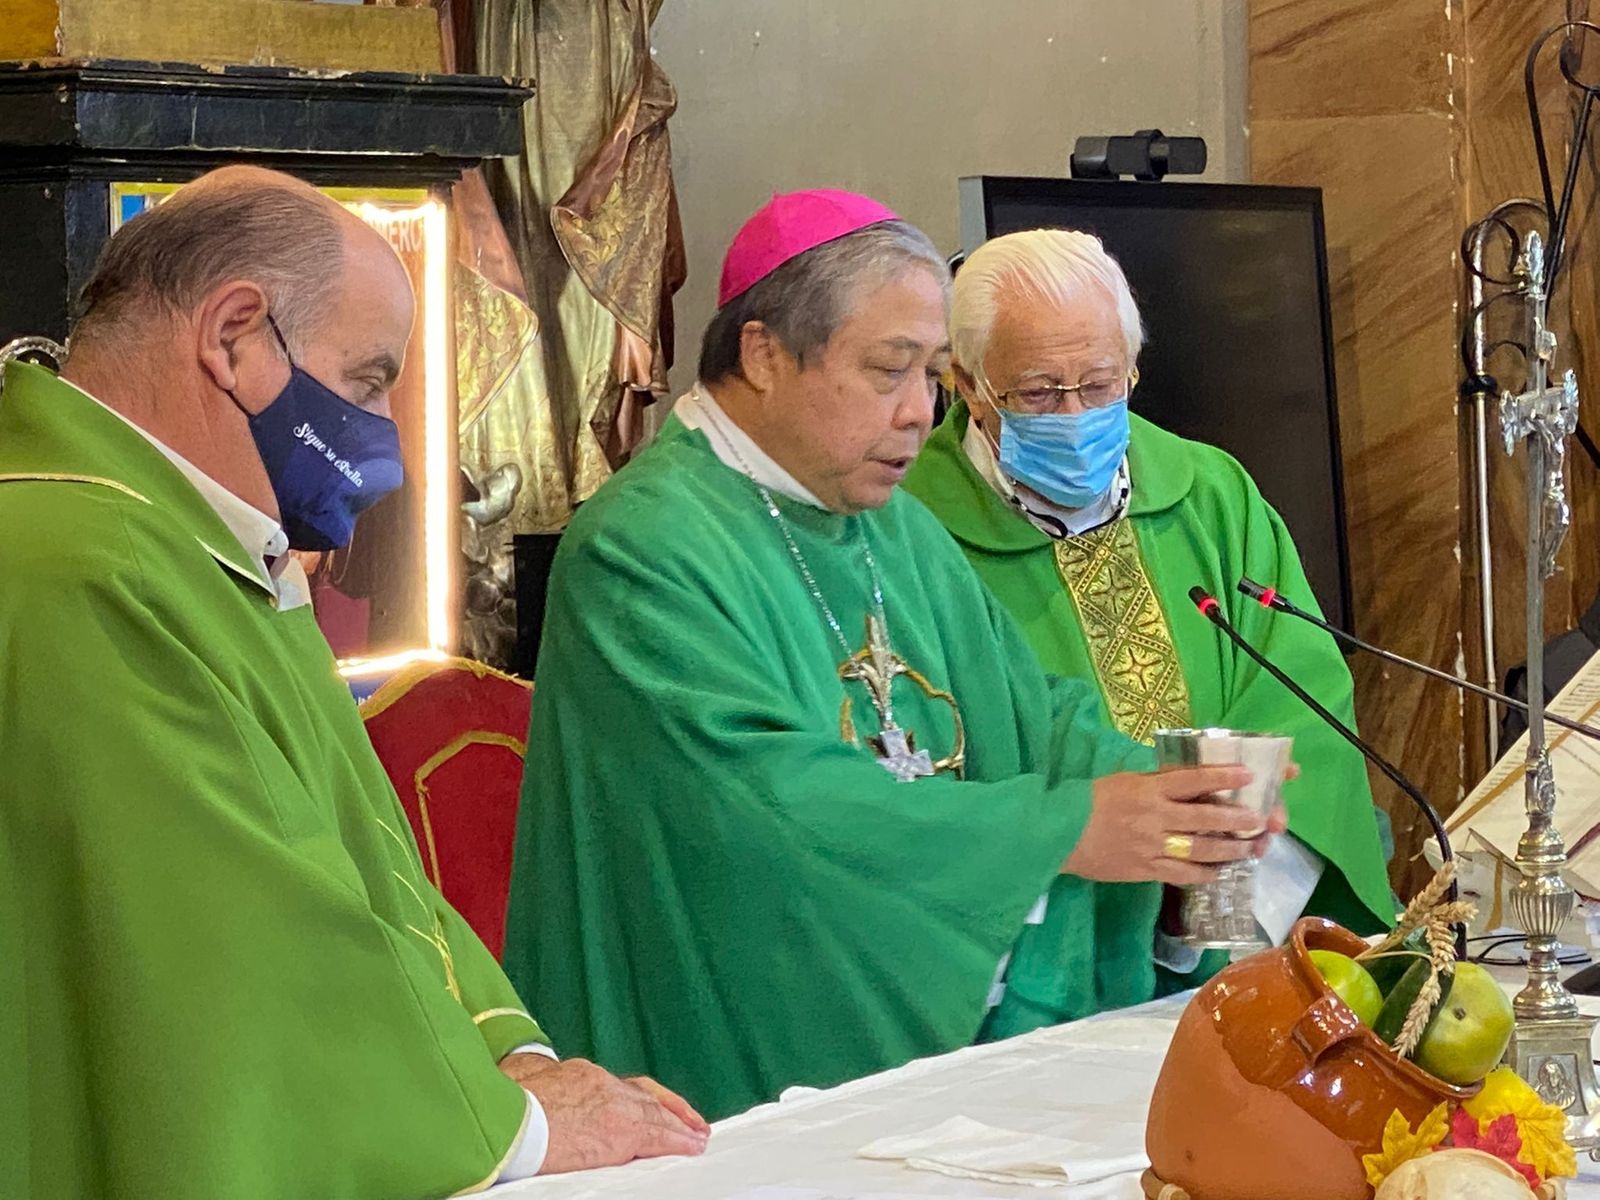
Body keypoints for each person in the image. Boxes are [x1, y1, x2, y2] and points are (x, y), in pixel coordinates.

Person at [0, 165, 707, 1200]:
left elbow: (365, 859)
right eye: (369, 382)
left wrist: (502, 1052)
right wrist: (503, 1126)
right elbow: (236, 945)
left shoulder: (198, 549)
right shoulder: (81, 569)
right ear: (235, 336)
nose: (381, 441)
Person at [504, 189, 1281, 1122]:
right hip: (724, 1062)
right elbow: (769, 816)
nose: (921, 413)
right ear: (762, 354)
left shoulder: (892, 528)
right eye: (889, 371)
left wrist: (1176, 802)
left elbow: (1034, 718)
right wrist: (1066, 828)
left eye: (933, 375)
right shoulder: (643, 552)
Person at [902, 229, 1393, 975]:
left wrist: (1216, 913)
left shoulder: (1211, 496)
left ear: (1132, 369)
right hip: (1037, 974)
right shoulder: (912, 533)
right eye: (1037, 393)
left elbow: (1303, 709)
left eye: (1100, 385)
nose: (1073, 416)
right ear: (966, 384)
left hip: (1239, 941)